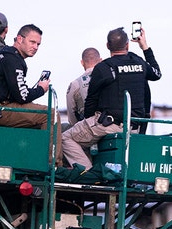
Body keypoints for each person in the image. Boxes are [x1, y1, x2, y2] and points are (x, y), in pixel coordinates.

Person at [62, 26, 162, 170]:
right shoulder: (139, 62)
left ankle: (88, 174)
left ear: (107, 46)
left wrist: (88, 122)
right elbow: (157, 73)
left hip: (108, 125)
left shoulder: (103, 68)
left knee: (66, 137)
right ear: (127, 44)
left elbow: (91, 102)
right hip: (135, 127)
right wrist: (144, 46)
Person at [0, 24, 63, 167]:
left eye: (38, 44)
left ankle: (33, 160)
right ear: (19, 39)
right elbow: (22, 96)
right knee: (51, 115)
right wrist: (41, 89)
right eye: (32, 42)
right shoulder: (13, 59)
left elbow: (17, 91)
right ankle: (52, 165)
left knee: (40, 114)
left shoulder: (4, 53)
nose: (35, 47)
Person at [65, 47, 101, 126]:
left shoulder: (75, 84)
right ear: (101, 60)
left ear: (82, 62)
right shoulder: (110, 77)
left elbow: (71, 114)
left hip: (87, 126)